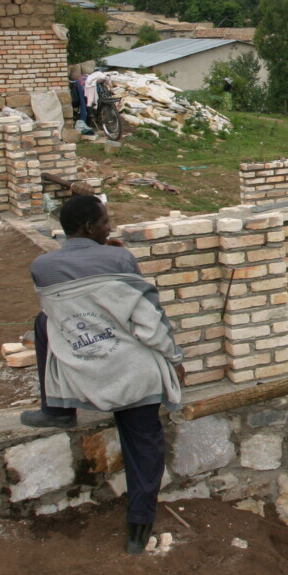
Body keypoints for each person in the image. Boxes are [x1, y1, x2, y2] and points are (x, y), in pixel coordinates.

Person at [22, 194, 185, 554]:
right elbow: (147, 319)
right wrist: (174, 358)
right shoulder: (120, 259)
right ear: (89, 227)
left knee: (43, 321)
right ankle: (138, 529)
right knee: (144, 444)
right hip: (132, 373)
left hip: (83, 373)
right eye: (105, 222)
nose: (110, 227)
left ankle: (56, 409)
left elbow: (75, 304)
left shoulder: (41, 266)